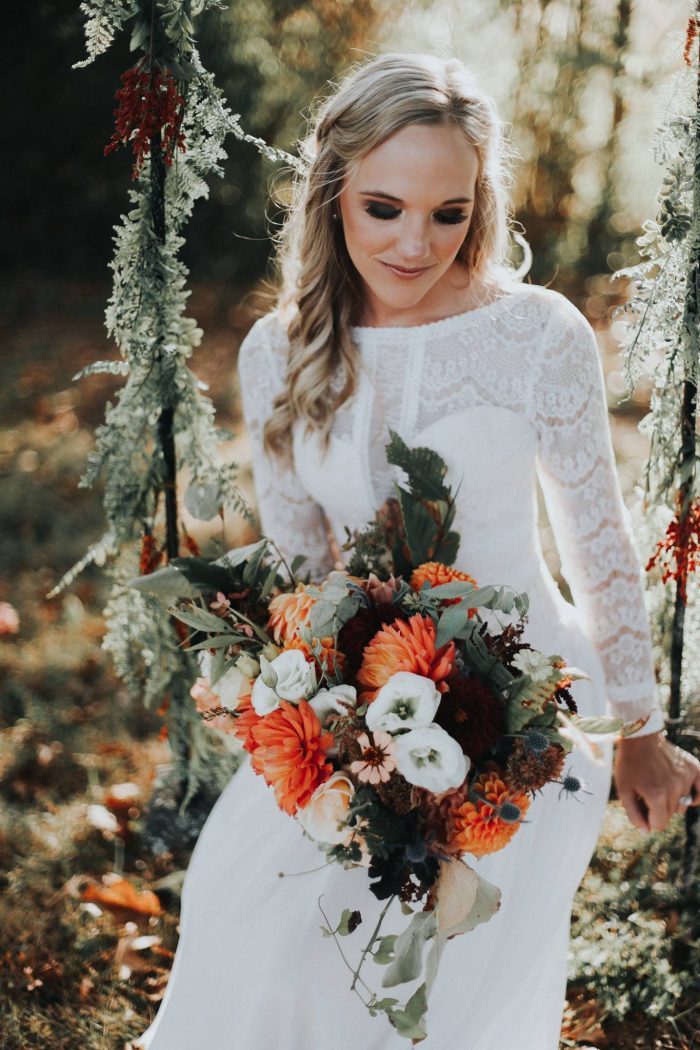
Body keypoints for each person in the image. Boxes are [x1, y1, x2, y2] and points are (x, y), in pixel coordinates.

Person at [135, 52, 700, 1050]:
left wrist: (639, 731)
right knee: (252, 926)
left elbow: (598, 543)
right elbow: (301, 568)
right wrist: (321, 718)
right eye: (384, 207)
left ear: (479, 201)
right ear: (332, 196)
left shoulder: (534, 334)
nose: (414, 242)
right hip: (358, 712)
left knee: (425, 985)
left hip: (521, 710)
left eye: (448, 211)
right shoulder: (282, 348)